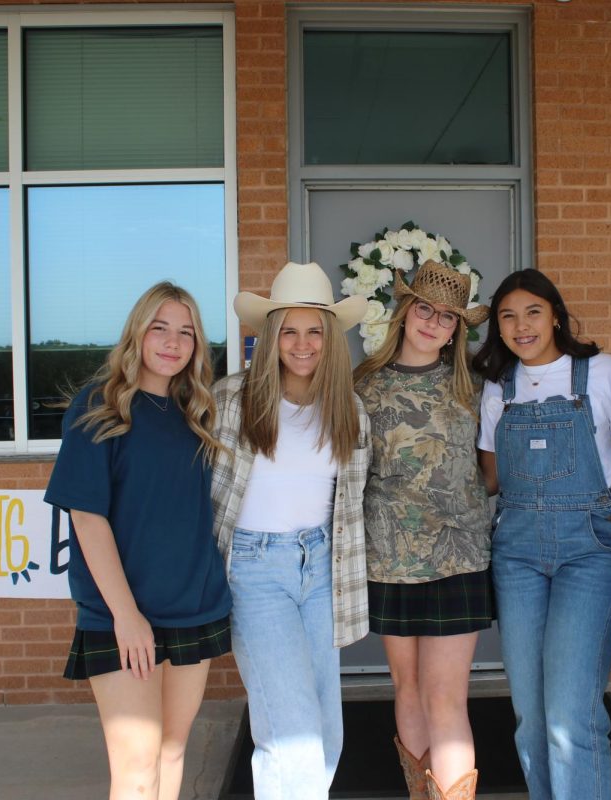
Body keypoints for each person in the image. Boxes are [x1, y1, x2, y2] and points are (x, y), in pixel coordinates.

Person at [45, 281, 232, 800]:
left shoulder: (198, 413)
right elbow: (87, 519)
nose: (173, 343)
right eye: (160, 328)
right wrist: (127, 617)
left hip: (193, 604)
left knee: (172, 752)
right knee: (136, 769)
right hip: (120, 616)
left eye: (187, 333)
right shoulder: (99, 407)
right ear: (137, 332)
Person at [210, 261, 369, 800]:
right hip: (256, 571)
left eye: (315, 331)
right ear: (272, 335)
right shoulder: (230, 401)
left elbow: (353, 504)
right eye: (290, 331)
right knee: (290, 734)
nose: (302, 344)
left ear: (330, 339)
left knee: (325, 731)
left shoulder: (347, 409)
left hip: (322, 568)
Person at [472, 268, 611, 800]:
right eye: (508, 316)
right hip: (515, 551)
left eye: (533, 311)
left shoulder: (602, 372)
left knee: (570, 716)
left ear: (556, 315)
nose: (521, 325)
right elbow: (490, 478)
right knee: (531, 717)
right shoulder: (499, 384)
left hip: (589, 549)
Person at [353, 261, 493, 800]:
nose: (434, 323)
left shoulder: (474, 386)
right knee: (407, 688)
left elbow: (490, 470)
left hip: (458, 558)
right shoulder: (363, 383)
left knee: (446, 699)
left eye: (448, 318)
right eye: (425, 309)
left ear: (458, 329)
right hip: (389, 557)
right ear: (405, 312)